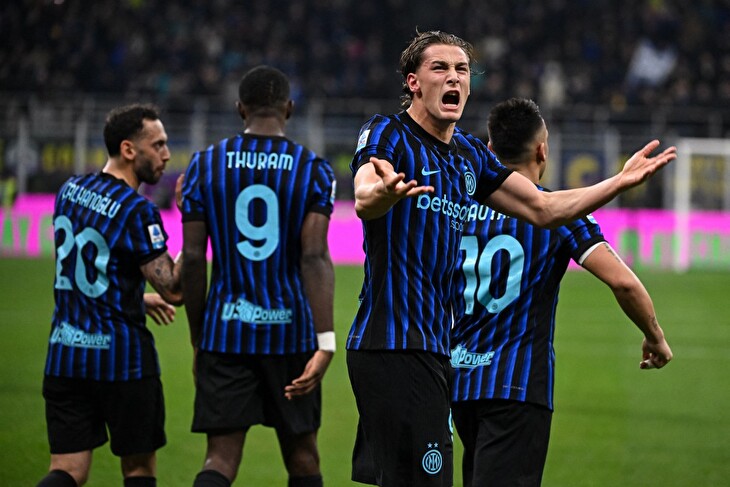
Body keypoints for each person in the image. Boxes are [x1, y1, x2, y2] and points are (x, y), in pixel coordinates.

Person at [347, 30, 676, 487]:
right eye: (440, 68)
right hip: (393, 344)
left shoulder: (467, 154)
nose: (454, 77)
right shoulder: (389, 132)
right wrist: (380, 193)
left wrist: (617, 183)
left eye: (462, 69)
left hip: (437, 353)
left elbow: (543, 207)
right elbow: (365, 193)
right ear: (413, 82)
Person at [450, 97, 674, 487]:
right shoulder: (561, 212)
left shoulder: (459, 210)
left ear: (488, 149)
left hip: (459, 381)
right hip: (517, 384)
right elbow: (623, 282)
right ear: (542, 150)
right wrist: (655, 336)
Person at [181, 65, 336, 487]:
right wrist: (325, 341)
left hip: (224, 335)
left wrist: (198, 338)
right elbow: (314, 257)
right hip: (291, 336)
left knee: (219, 459)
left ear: (240, 109)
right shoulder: (313, 169)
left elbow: (192, 258)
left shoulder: (203, 165)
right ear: (289, 108)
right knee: (303, 457)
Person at [38, 103, 184, 487]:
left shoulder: (69, 191)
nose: (167, 154)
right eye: (158, 144)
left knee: (67, 470)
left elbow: (86, 273)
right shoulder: (136, 211)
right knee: (138, 470)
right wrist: (194, 219)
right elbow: (174, 289)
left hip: (65, 356)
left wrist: (135, 298)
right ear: (128, 149)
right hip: (123, 363)